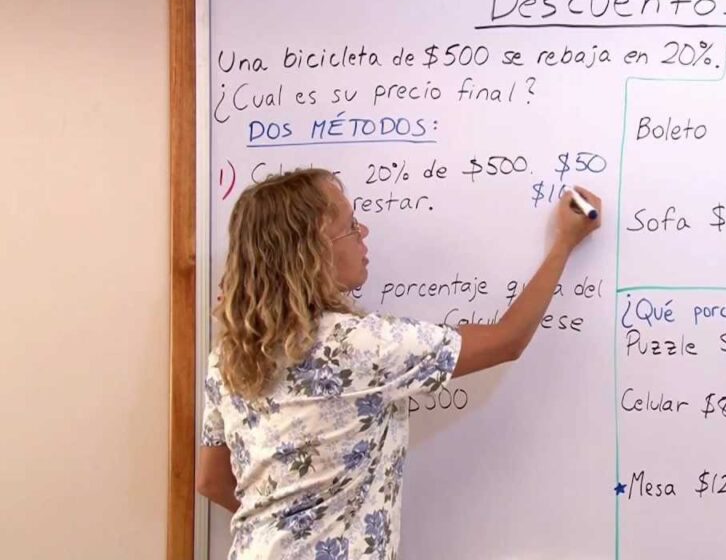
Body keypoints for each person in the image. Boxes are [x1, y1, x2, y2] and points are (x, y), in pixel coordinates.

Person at [196, 168, 601, 559]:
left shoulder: (230, 354)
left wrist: (293, 526)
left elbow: (211, 479)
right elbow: (508, 340)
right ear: (315, 251)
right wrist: (563, 243)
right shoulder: (358, 346)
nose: (363, 233)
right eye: (351, 227)